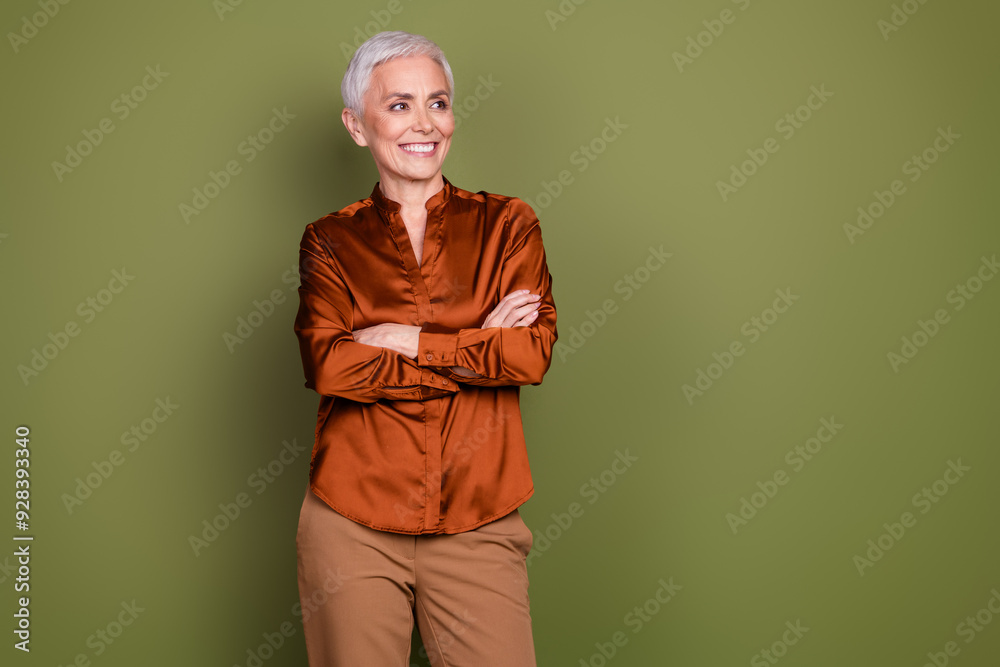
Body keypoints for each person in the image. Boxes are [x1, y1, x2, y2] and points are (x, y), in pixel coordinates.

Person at [292, 30, 558, 666]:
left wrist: (408, 341)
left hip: (480, 519)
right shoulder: (328, 241)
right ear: (358, 126)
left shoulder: (509, 226)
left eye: (437, 103)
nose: (425, 123)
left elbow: (530, 355)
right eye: (399, 104)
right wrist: (477, 350)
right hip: (351, 523)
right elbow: (330, 366)